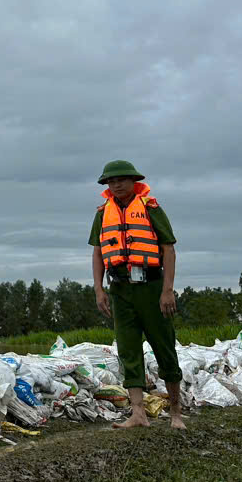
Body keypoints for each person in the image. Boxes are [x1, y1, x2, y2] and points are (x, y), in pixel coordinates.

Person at [90, 160, 187, 431]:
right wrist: (99, 289)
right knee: (128, 349)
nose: (116, 185)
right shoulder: (102, 213)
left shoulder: (150, 208)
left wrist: (167, 290)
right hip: (119, 290)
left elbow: (168, 249)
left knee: (164, 345)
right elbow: (98, 253)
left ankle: (176, 413)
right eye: (111, 181)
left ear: (134, 181)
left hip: (151, 287)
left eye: (121, 179)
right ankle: (138, 414)